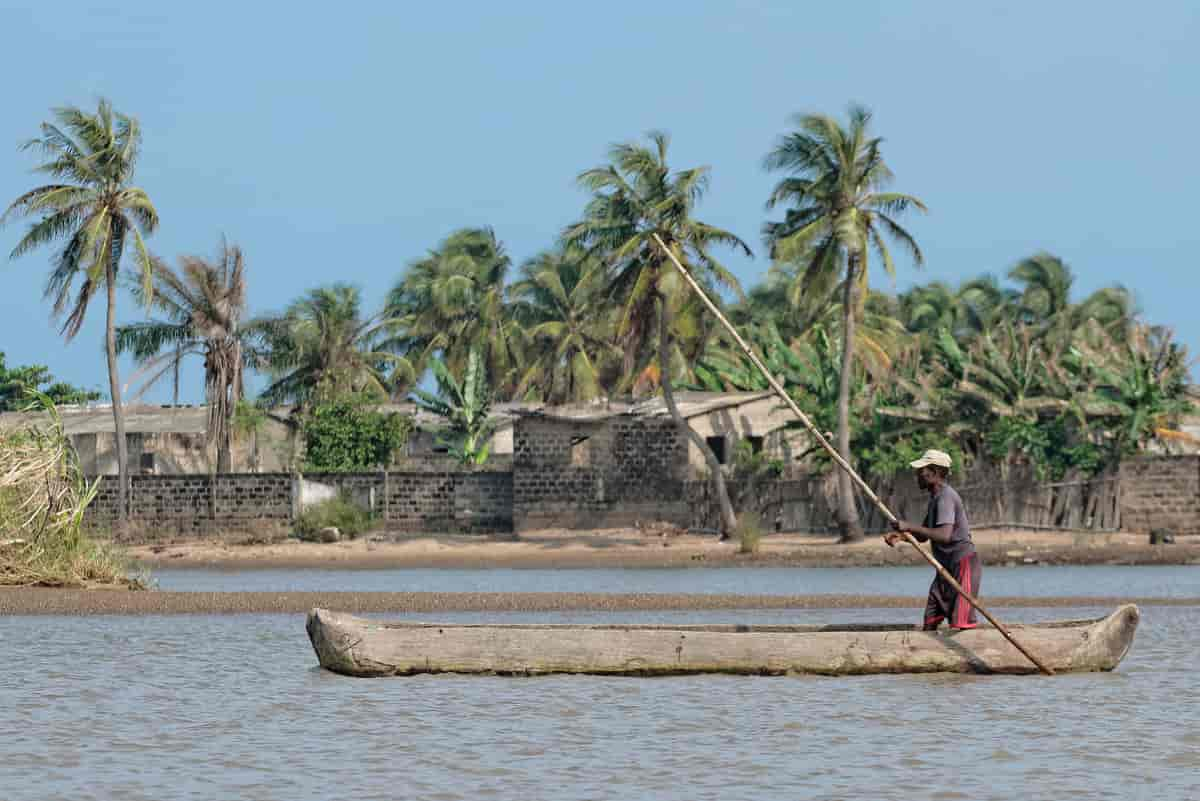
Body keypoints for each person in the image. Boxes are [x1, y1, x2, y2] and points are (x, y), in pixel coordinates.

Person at [884, 449, 981, 630]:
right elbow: (923, 535)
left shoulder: (946, 497)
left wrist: (909, 526)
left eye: (921, 471)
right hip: (945, 569)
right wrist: (902, 536)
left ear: (934, 473)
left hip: (962, 565)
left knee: (961, 623)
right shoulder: (936, 498)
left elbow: (944, 535)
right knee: (930, 620)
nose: (917, 476)